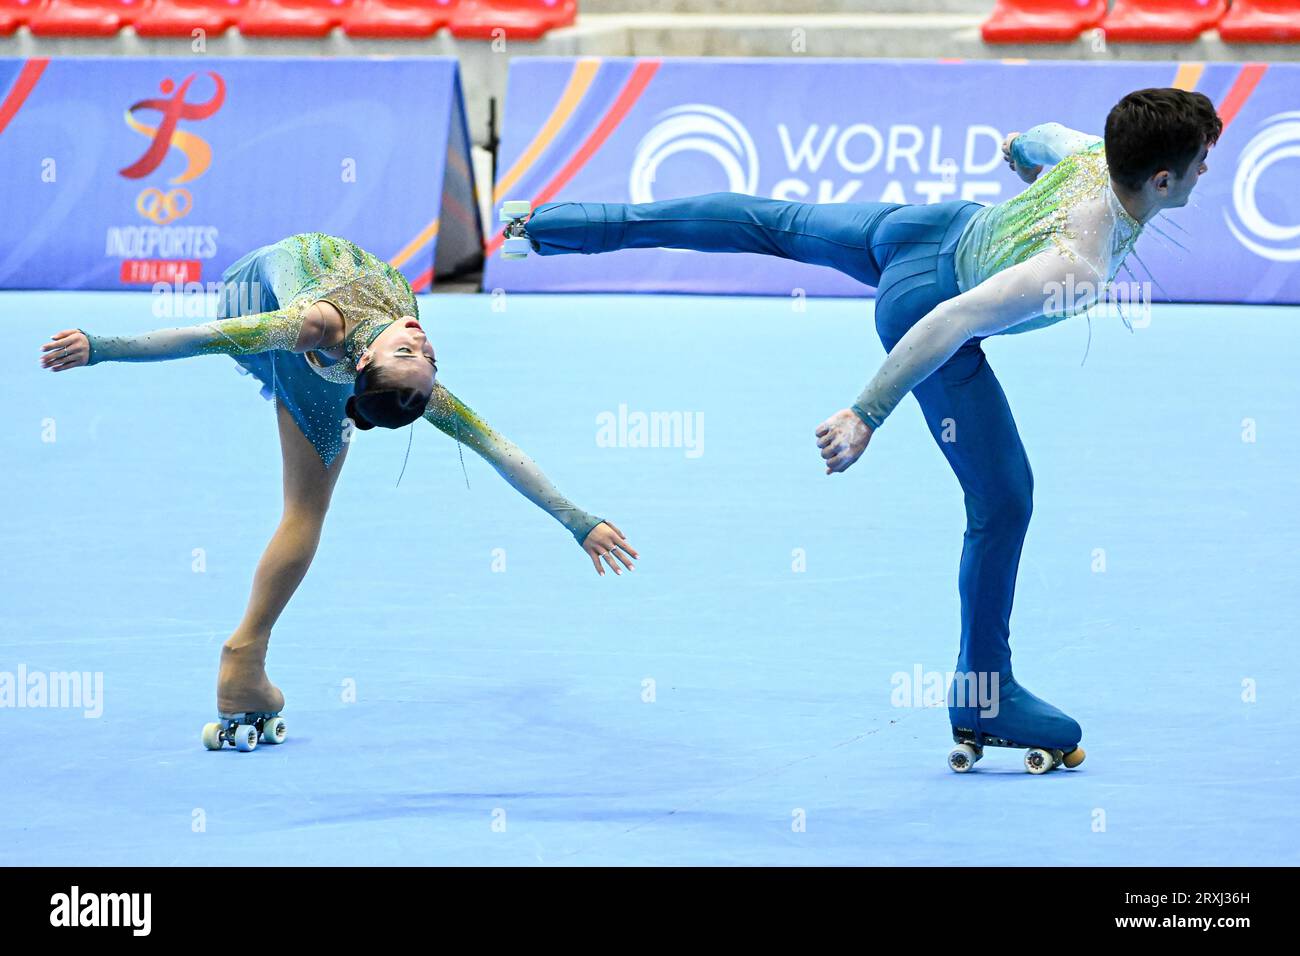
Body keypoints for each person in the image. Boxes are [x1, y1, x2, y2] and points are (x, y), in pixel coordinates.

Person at [500, 88, 1221, 771]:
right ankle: (987, 697)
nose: (1206, 170)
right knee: (1004, 502)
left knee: (768, 221)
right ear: (1161, 180)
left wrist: (1015, 148)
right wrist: (865, 412)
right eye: (1200, 161)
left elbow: (1040, 139)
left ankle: (540, 229)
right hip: (925, 304)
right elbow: (954, 320)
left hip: (926, 226)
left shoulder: (1092, 152)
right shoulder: (1080, 263)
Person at [41, 233, 637, 747]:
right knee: (303, 494)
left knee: (305, 510)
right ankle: (244, 660)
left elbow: (499, 451)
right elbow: (210, 335)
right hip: (275, 310)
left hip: (292, 330)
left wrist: (579, 521)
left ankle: (243, 658)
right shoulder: (342, 337)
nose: (420, 339)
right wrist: (102, 349)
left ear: (367, 366)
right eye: (423, 354)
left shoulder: (327, 331)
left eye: (417, 353)